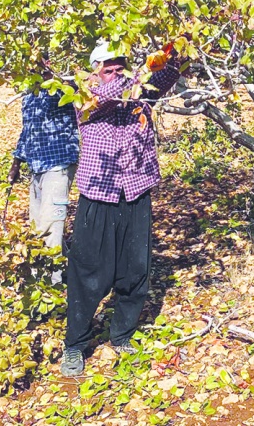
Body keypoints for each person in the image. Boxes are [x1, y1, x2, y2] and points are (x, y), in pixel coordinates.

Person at [60, 41, 186, 377]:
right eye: (109, 68)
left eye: (120, 67)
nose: (116, 74)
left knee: (135, 269)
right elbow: (106, 97)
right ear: (95, 71)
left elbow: (168, 74)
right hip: (98, 194)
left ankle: (122, 334)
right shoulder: (85, 96)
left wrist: (176, 49)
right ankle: (75, 344)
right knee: (88, 272)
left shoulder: (140, 90)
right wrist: (138, 74)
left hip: (136, 191)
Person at [8, 58, 80, 284]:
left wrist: (55, 74)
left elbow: (79, 93)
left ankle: (51, 286)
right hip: (37, 166)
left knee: (51, 225)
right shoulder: (29, 95)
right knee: (37, 224)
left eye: (39, 65)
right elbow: (26, 131)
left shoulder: (61, 89)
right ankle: (59, 272)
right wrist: (16, 163)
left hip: (59, 164)